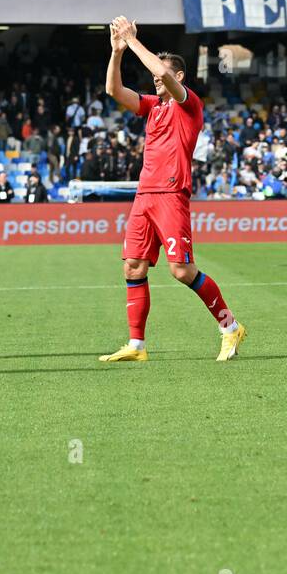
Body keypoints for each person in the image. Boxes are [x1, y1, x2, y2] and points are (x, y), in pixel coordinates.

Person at [99, 18, 246, 362]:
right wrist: (117, 52)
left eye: (162, 72)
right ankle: (137, 346)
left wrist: (134, 41)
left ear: (178, 77)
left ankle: (230, 327)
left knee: (182, 271)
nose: (155, 77)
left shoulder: (188, 103)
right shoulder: (153, 106)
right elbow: (114, 92)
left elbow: (161, 74)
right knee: (133, 267)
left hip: (170, 194)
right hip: (144, 196)